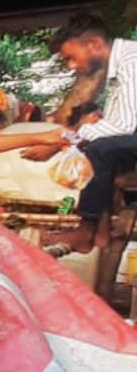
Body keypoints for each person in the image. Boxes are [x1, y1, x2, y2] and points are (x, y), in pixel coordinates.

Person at [25, 13, 137, 251]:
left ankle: (86, 230)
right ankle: (101, 229)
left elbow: (124, 126)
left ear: (94, 45)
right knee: (101, 147)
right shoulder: (119, 66)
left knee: (99, 147)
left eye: (71, 58)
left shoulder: (132, 60)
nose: (71, 66)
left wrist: (59, 143)